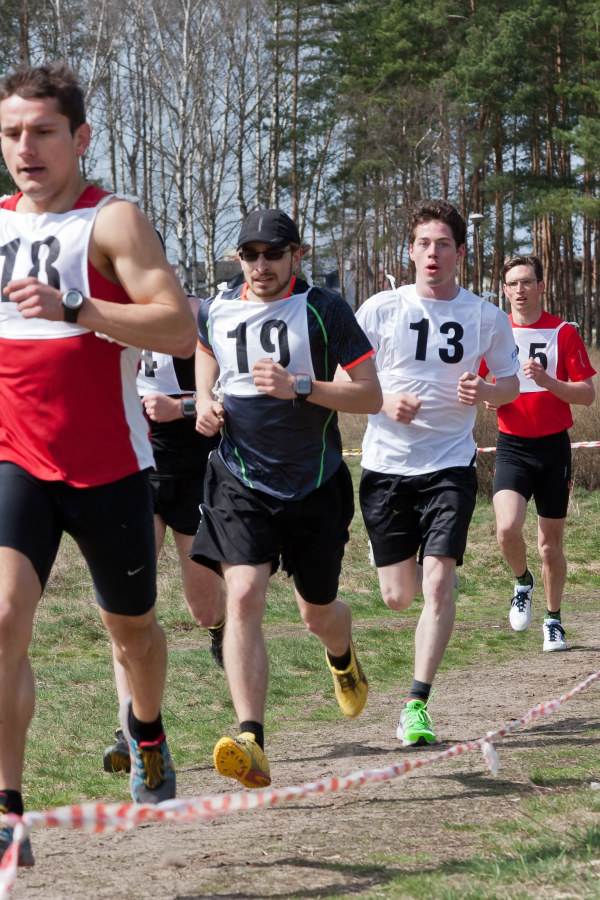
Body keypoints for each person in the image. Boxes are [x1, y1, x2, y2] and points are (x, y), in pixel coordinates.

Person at [0, 62, 197, 863]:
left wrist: (78, 307)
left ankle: (146, 731)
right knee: (3, 619)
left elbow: (178, 328)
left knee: (134, 636)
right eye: (12, 133)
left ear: (80, 138)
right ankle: (8, 810)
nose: (26, 148)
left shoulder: (112, 221)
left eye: (43, 132)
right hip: (16, 460)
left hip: (109, 468)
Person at [192, 208, 381, 789]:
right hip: (240, 479)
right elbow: (205, 348)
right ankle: (251, 739)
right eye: (250, 255)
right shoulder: (216, 307)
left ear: (297, 255)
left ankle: (342, 655)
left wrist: (300, 386)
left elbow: (370, 396)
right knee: (243, 593)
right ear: (238, 258)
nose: (261, 265)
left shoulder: (325, 309)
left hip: (315, 482)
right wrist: (205, 399)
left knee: (317, 613)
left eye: (273, 253)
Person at [354, 199, 519, 748]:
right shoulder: (380, 309)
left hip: (450, 464)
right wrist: (382, 401)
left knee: (439, 581)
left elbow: (511, 385)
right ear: (410, 252)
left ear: (460, 253)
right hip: (386, 467)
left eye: (443, 244)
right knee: (398, 597)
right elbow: (344, 379)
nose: (433, 253)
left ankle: (416, 703)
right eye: (424, 244)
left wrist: (488, 390)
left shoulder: (485, 316)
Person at [103, 292, 226, 775]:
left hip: (194, 471)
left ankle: (220, 631)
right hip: (135, 471)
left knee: (203, 607)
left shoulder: (201, 314)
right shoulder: (108, 318)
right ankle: (129, 728)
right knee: (126, 606)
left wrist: (182, 406)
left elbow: (233, 394)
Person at [480, 255, 595, 651]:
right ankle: (522, 581)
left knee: (550, 545)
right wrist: (489, 396)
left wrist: (549, 382)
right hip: (512, 445)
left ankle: (553, 620)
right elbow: (479, 382)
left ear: (541, 286)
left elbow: (587, 394)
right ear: (505, 290)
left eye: (527, 281)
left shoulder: (563, 332)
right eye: (512, 283)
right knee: (506, 528)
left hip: (552, 447)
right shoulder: (496, 333)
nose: (520, 290)